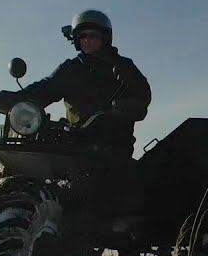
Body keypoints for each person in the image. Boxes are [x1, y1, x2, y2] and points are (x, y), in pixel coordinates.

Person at [11, 9, 151, 157]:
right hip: (75, 144)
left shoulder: (123, 66)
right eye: (83, 36)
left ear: (104, 38)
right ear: (77, 40)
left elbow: (143, 94)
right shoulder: (71, 69)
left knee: (125, 175)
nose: (87, 40)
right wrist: (16, 98)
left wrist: (128, 106)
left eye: (93, 36)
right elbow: (47, 87)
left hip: (114, 146)